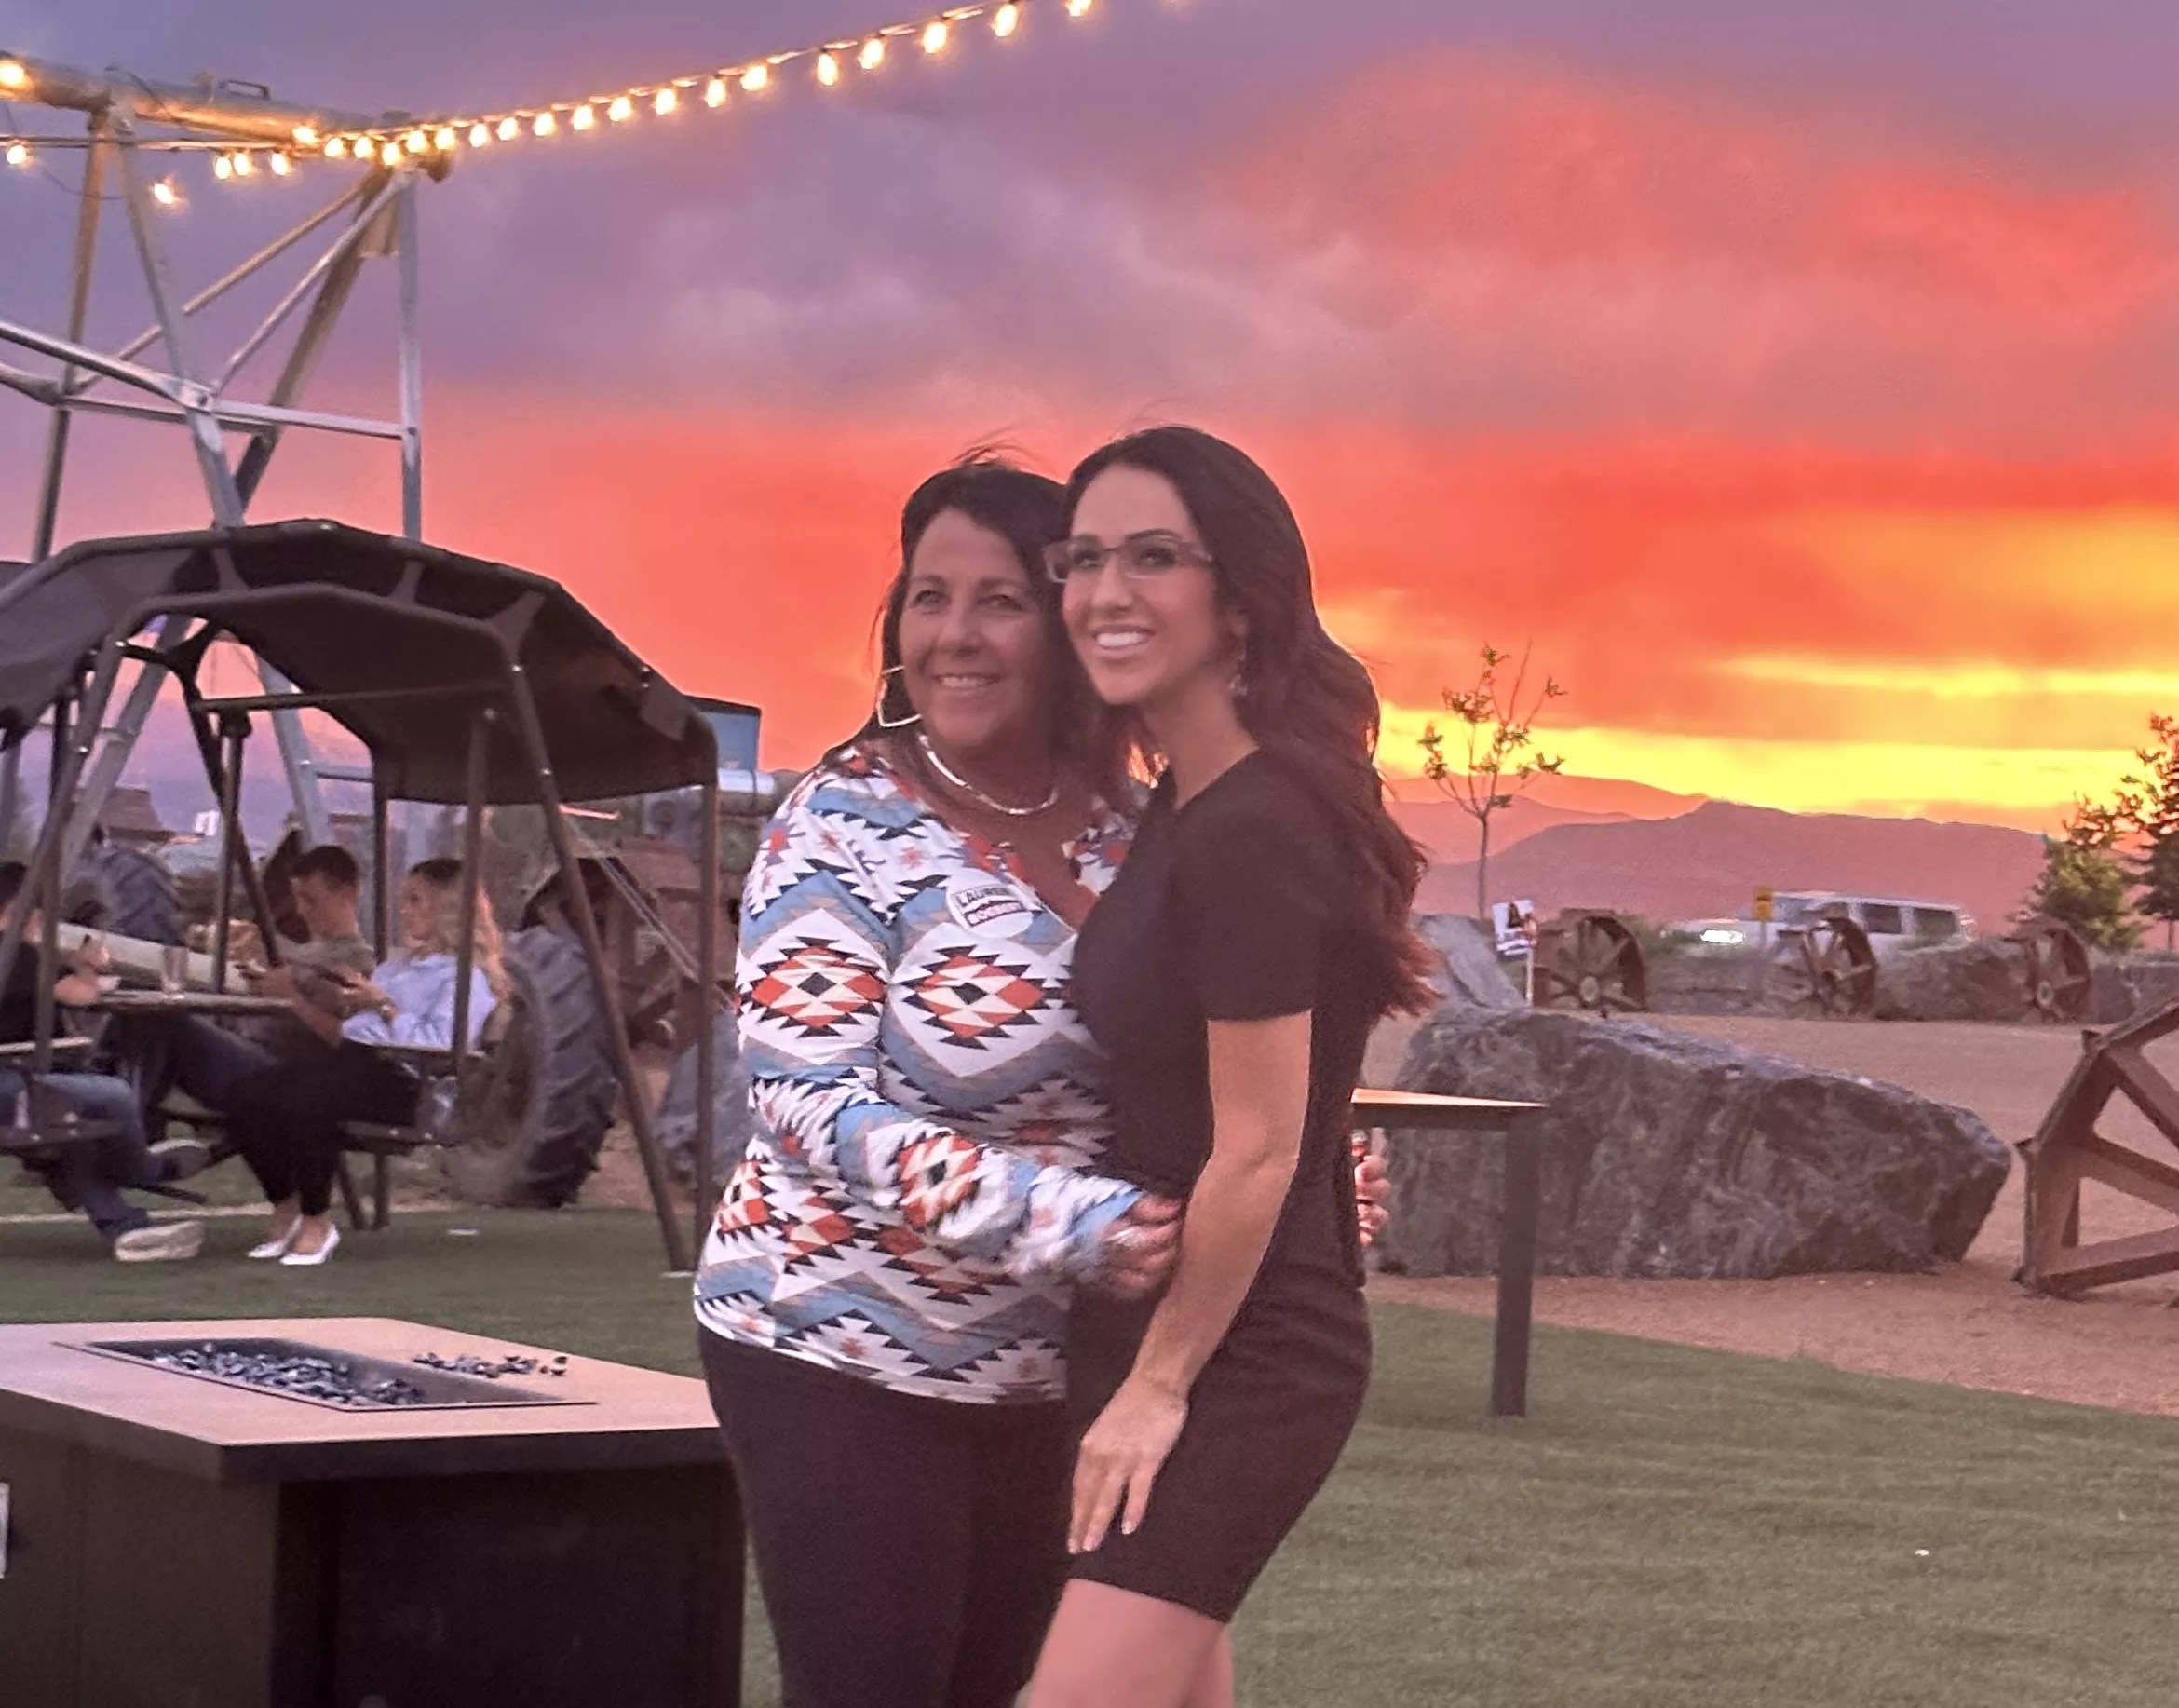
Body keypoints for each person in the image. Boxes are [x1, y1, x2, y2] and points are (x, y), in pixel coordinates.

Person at [693, 458, 1391, 1708]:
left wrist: (1312, 1177)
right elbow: (805, 1101)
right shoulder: (844, 819)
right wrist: (1075, 1222)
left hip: (1058, 1368)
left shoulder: (1146, 820)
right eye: (926, 598)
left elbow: (1208, 1062)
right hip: (840, 1338)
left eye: (1001, 598)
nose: (954, 635)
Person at [1028, 427, 1433, 1708]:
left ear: (1242, 599)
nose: (1105, 591)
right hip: (1147, 1326)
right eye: (1083, 558)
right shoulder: (1185, 805)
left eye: (1154, 556)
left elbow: (1256, 1143)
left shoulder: (1259, 822)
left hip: (1240, 1357)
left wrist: (1158, 1385)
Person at [223, 857, 502, 1267]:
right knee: (245, 1094)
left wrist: (385, 1007)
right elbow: (359, 1028)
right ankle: (286, 1206)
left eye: (416, 900)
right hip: (357, 1061)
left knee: (307, 1101)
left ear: (448, 909)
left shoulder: (465, 979)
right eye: (404, 899)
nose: (404, 910)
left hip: (408, 1080)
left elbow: (441, 1045)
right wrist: (352, 1002)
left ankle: (317, 1221)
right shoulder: (397, 966)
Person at [0, 861, 209, 1261]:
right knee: (114, 1095)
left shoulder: (22, 960)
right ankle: (144, 1169)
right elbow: (83, 995)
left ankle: (126, 1231)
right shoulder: (18, 957)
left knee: (73, 1129)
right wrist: (89, 967)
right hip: (12, 1088)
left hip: (18, 1082)